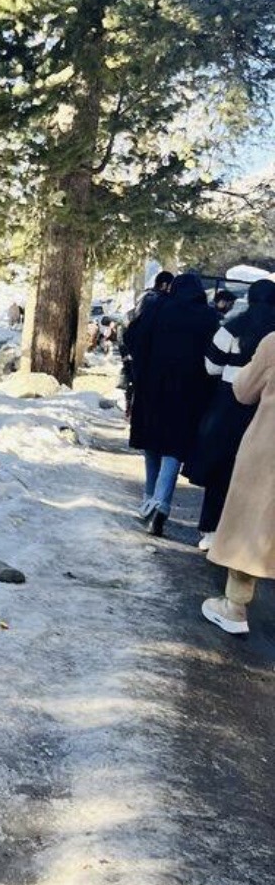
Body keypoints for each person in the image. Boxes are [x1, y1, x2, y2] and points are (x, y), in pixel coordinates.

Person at [121, 271, 218, 536]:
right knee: (174, 447)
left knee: (152, 443)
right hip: (189, 393)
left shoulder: (158, 308)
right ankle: (161, 502)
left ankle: (149, 497)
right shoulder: (208, 316)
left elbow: (132, 337)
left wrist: (141, 369)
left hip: (153, 387)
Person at [187, 280, 275, 552]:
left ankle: (210, 530)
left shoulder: (232, 328)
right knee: (256, 476)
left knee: (220, 470)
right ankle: (245, 537)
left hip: (228, 403)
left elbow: (211, 366)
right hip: (265, 408)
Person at [202, 329, 275, 634]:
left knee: (251, 522)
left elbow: (243, 390)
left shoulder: (273, 343)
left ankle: (234, 607)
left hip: (268, 449)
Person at [121, 271, 174, 415]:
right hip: (148, 353)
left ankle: (132, 410)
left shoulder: (145, 297)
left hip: (138, 351)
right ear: (164, 285)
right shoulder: (157, 301)